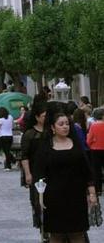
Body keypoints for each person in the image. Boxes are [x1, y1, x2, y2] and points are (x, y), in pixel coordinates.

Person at [35, 112, 97, 243]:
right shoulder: (46, 147)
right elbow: (39, 173)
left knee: (78, 233)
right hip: (53, 197)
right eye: (61, 124)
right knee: (56, 234)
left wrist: (92, 193)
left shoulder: (76, 145)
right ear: (52, 127)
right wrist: (39, 196)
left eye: (67, 124)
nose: (65, 127)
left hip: (76, 195)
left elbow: (86, 170)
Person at [20, 102, 47, 238]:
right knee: (38, 202)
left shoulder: (51, 131)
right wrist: (27, 173)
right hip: (36, 172)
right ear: (37, 117)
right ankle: (43, 230)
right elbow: (24, 156)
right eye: (43, 116)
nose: (46, 118)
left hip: (51, 171)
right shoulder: (29, 134)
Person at [86, 108, 104, 196]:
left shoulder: (93, 125)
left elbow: (89, 140)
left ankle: (98, 189)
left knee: (96, 171)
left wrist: (90, 145)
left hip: (95, 149)